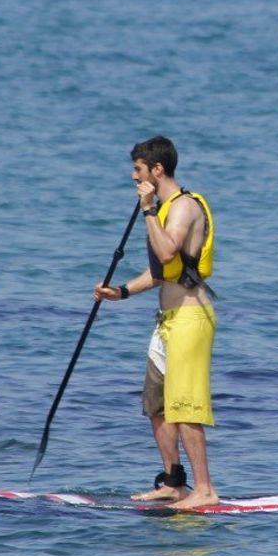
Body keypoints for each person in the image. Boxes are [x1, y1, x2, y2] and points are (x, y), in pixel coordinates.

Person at [94, 136, 220, 510]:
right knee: (157, 405)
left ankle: (205, 491)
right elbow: (162, 271)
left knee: (185, 407)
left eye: (138, 169)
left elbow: (166, 250)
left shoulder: (181, 208)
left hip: (190, 320)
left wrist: (148, 209)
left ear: (157, 170)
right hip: (167, 320)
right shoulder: (164, 209)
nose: (134, 177)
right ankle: (173, 483)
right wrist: (122, 291)